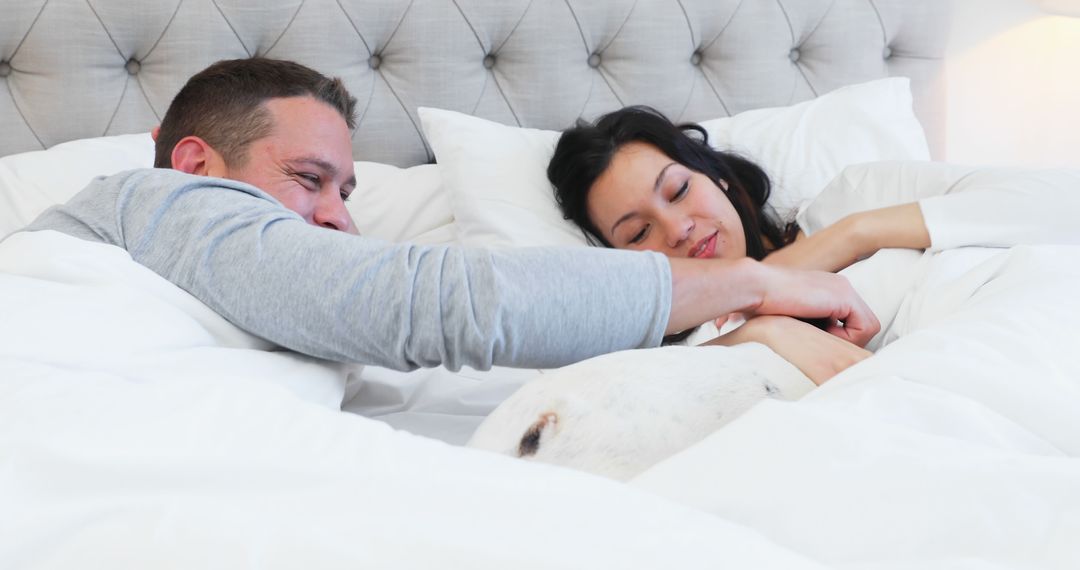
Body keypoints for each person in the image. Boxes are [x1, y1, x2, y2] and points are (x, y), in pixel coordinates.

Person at [21, 58, 877, 373]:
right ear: (196, 163)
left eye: (345, 195)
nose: (336, 220)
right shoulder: (148, 200)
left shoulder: (229, 280)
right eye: (308, 178)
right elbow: (430, 302)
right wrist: (758, 281)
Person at [546, 106, 937, 382]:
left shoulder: (847, 204)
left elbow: (998, 206)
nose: (677, 229)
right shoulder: (659, 357)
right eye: (638, 233)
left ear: (718, 176)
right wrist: (759, 332)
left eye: (679, 190)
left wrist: (855, 233)